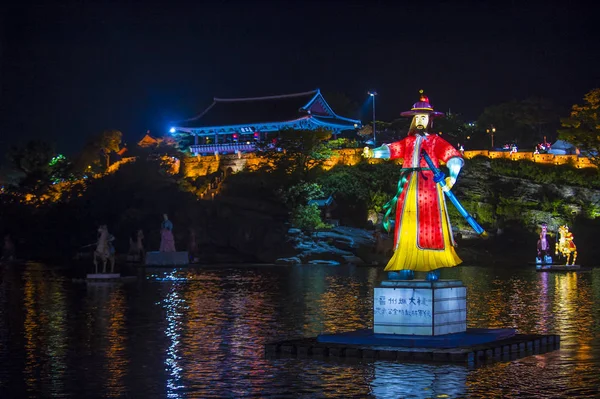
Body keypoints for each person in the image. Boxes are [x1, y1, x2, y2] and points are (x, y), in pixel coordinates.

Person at [363, 91, 464, 280]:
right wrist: (373, 153)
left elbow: (453, 156)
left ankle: (433, 265)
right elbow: (392, 149)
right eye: (418, 117)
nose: (420, 120)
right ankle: (406, 263)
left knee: (430, 226)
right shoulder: (408, 142)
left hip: (429, 188)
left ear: (430, 120)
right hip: (408, 185)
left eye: (424, 117)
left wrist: (452, 177)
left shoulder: (435, 141)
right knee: (406, 225)